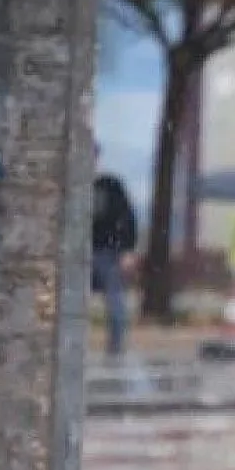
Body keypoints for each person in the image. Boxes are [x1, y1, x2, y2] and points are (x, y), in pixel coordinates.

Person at [91, 149, 139, 358]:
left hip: (108, 252)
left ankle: (116, 348)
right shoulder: (72, 186)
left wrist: (127, 249)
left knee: (115, 302)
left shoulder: (109, 186)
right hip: (80, 252)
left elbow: (127, 218)